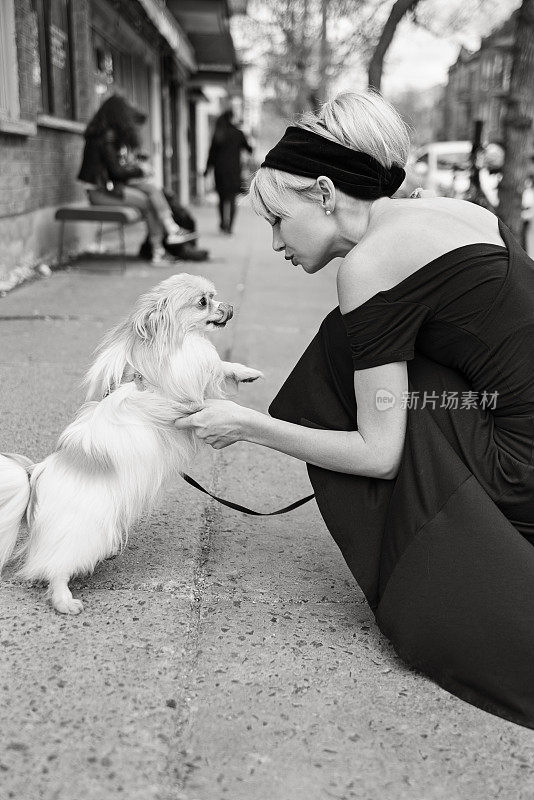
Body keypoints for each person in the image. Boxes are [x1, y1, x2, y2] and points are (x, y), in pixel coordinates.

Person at [175, 90, 534, 730]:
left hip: (522, 472)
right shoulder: (457, 210)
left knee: (343, 355)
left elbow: (379, 453)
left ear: (323, 191)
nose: (276, 241)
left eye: (279, 219)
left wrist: (247, 424)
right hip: (513, 423)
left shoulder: (367, 268)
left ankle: (427, 566)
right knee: (376, 358)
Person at [78, 94, 196, 265]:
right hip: (99, 193)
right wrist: (140, 170)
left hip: (109, 189)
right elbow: (116, 173)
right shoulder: (105, 138)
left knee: (151, 189)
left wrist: (136, 168)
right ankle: (160, 249)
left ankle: (170, 231)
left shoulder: (106, 136)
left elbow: (115, 171)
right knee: (148, 202)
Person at [205, 109, 253, 234]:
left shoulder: (218, 133)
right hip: (233, 171)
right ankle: (230, 227)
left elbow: (211, 154)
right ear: (232, 118)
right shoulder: (238, 133)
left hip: (219, 171)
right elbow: (249, 149)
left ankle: (222, 223)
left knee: (221, 199)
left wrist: (206, 169)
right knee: (231, 198)